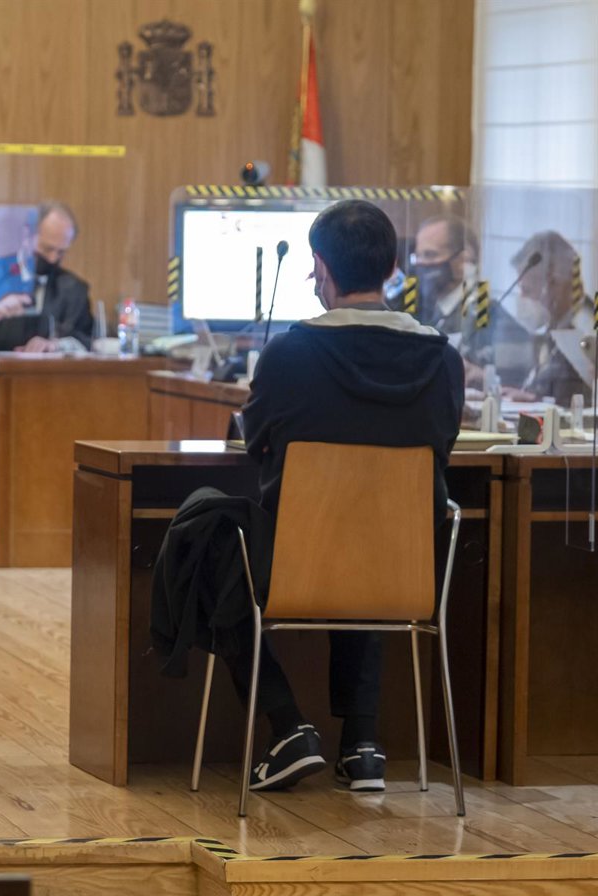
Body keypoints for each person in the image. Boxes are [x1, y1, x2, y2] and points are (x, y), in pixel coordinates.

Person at [238, 199, 464, 793]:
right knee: (369, 530)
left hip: (296, 563)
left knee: (206, 539)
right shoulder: (442, 359)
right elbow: (442, 447)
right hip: (406, 568)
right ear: (391, 268)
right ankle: (363, 744)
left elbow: (254, 441)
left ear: (321, 267)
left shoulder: (289, 355)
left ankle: (287, 724)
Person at [0, 201, 95, 353]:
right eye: (47, 249)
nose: (52, 259)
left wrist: (56, 346)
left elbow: (87, 342)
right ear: (27, 235)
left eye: (61, 252)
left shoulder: (74, 290)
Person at [503, 230, 595, 405]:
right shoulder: (557, 326)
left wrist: (538, 400)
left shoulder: (585, 328)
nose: (521, 298)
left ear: (554, 284)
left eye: (526, 290)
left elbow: (586, 400)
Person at [409, 214, 478, 335]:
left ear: (462, 261)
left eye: (430, 255)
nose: (420, 264)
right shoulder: (420, 304)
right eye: (418, 256)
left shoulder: (481, 312)